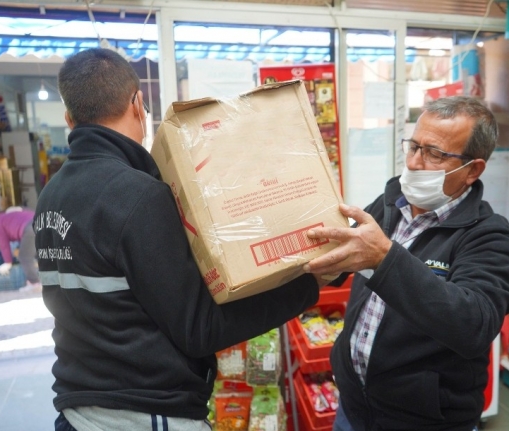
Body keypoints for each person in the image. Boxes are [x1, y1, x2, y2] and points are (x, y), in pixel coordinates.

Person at [36, 48, 327, 430]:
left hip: (78, 413)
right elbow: (199, 329)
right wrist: (308, 286)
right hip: (145, 413)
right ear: (138, 104)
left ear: (69, 118)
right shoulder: (137, 196)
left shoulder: (51, 196)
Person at [303, 96, 509, 431]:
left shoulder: (492, 240)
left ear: (472, 170)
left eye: (435, 153)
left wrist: (385, 259)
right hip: (353, 407)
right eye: (413, 147)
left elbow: (473, 325)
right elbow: (338, 263)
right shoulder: (389, 205)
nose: (415, 163)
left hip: (424, 422)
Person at [0, 208, 40, 291]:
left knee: (24, 257)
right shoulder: (9, 216)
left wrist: (8, 262)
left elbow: (3, 244)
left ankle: (34, 283)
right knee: (42, 254)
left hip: (30, 228)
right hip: (42, 222)